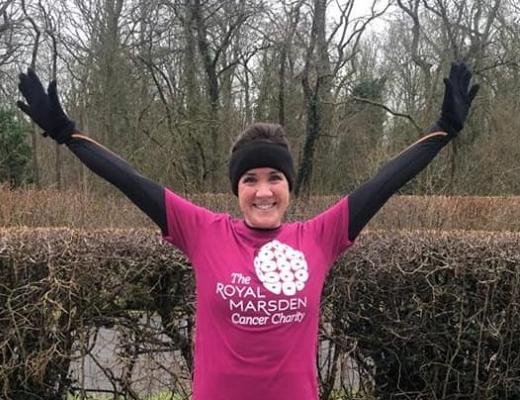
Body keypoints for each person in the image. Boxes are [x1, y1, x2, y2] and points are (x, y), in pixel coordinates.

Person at [16, 62, 478, 400]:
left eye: (274, 178)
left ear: (289, 186)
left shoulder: (321, 235)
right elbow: (130, 180)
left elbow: (384, 182)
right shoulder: (201, 231)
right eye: (249, 180)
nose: (263, 191)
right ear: (236, 188)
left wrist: (441, 130)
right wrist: (66, 133)